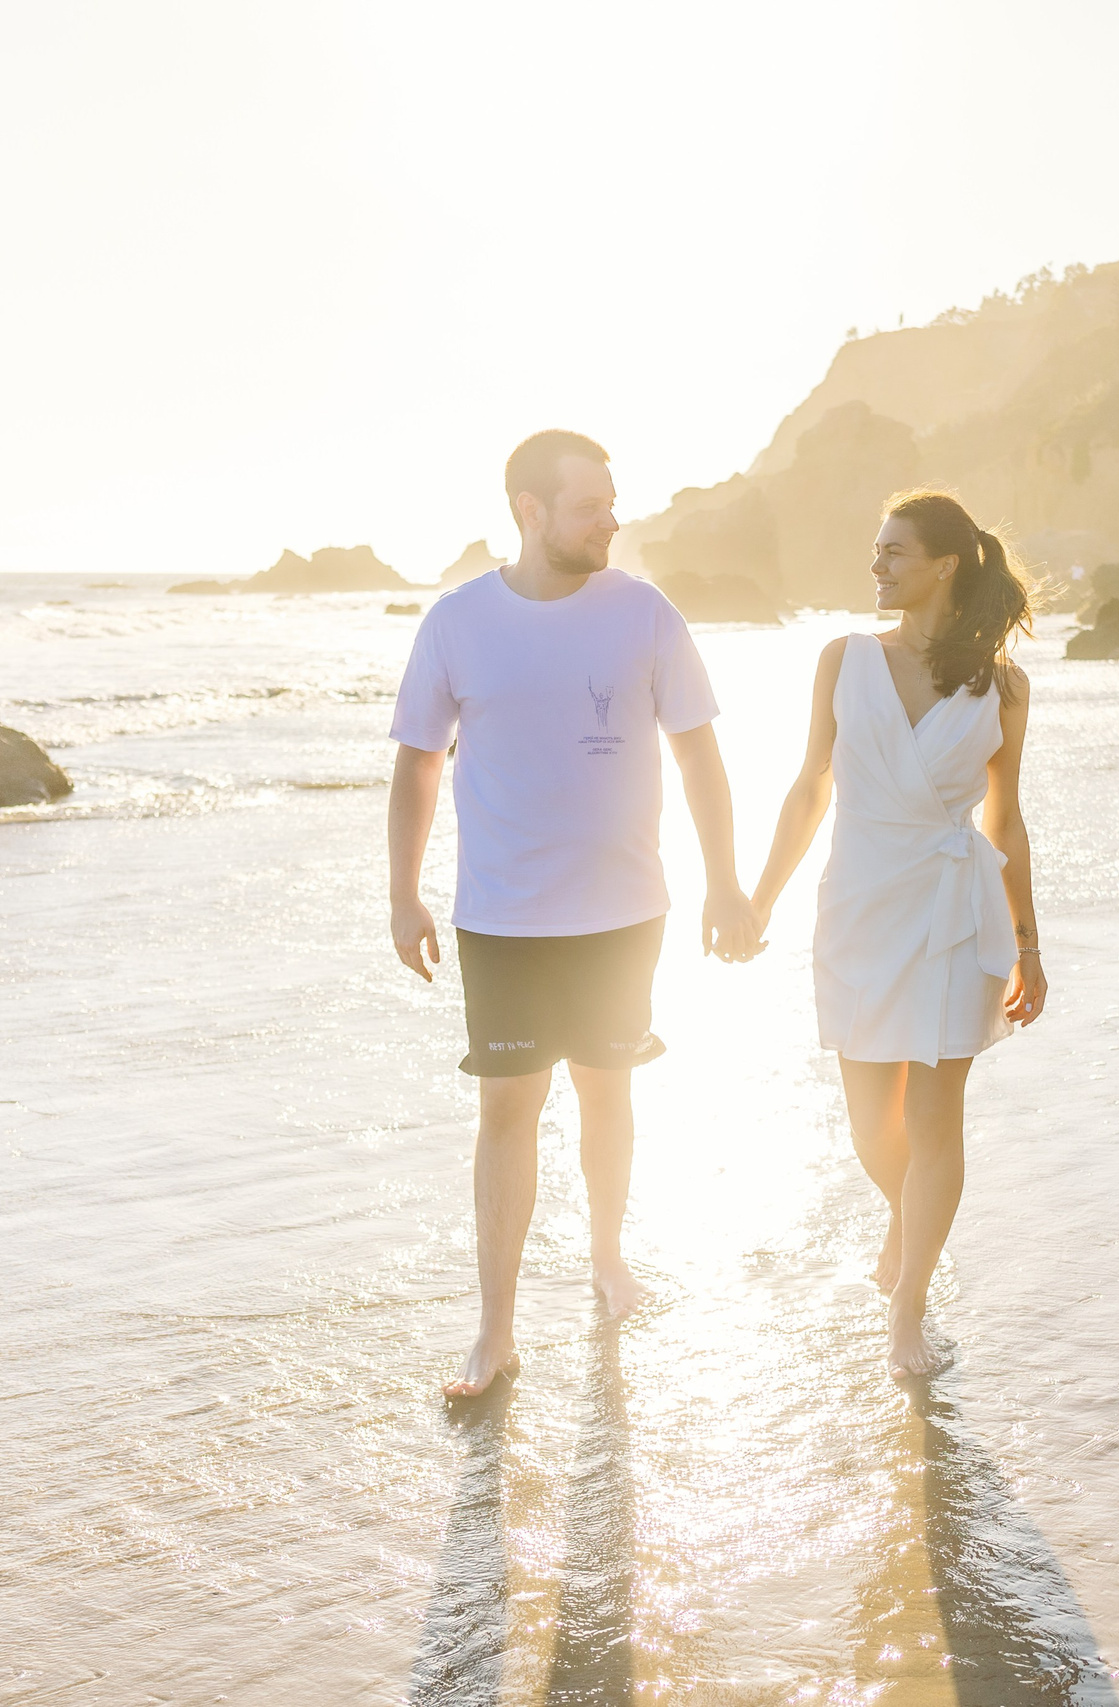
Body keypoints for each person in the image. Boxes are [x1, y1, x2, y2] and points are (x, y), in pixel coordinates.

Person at [388, 429, 758, 1399]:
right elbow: (418, 763)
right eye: (591, 504)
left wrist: (723, 882)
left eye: (611, 500)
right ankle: (496, 1333)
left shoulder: (642, 614)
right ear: (530, 510)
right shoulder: (458, 622)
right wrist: (401, 893)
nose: (611, 518)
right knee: (507, 1109)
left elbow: (699, 755)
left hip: (623, 912)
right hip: (501, 918)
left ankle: (606, 1259)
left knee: (607, 1090)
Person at [747, 489, 1047, 1380]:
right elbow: (810, 787)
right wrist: (760, 898)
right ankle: (907, 1220)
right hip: (859, 905)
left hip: (956, 914)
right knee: (872, 1130)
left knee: (935, 1120)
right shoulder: (842, 658)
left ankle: (909, 1307)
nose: (876, 566)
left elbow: (1009, 821)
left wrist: (1029, 946)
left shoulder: (1004, 687)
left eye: (894, 553)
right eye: (876, 551)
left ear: (945, 565)